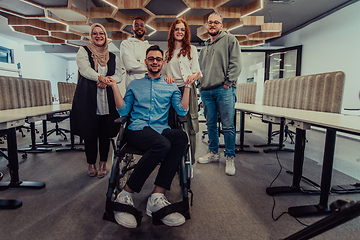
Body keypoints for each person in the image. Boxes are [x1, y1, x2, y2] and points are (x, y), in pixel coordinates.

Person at [100, 45, 195, 228]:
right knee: (163, 145)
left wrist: (188, 86)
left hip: (161, 129)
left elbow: (182, 110)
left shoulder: (170, 85)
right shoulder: (134, 85)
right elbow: (123, 110)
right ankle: (125, 194)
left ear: (162, 62)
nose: (154, 62)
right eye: (151, 59)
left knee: (180, 138)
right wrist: (113, 86)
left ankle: (157, 196)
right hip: (137, 129)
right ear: (146, 62)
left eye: (158, 59)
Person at [71, 23, 121, 178]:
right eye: (95, 33)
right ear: (91, 36)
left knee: (105, 132)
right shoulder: (83, 51)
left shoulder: (113, 56)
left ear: (106, 36)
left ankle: (103, 162)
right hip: (88, 98)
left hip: (107, 99)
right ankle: (91, 162)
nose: (99, 36)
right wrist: (100, 78)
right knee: (89, 132)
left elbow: (118, 75)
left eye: (101, 33)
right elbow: (85, 69)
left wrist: (107, 81)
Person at [197, 12, 242, 176]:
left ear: (221, 25)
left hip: (224, 90)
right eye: (210, 22)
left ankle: (230, 156)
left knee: (228, 126)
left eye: (216, 22)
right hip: (206, 91)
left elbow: (236, 64)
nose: (212, 25)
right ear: (206, 25)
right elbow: (199, 70)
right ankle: (213, 153)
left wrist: (227, 83)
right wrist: (200, 86)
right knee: (210, 125)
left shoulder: (230, 40)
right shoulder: (204, 48)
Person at [162, 18, 201, 166]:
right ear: (172, 32)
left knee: (190, 123)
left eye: (182, 30)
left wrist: (193, 76)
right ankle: (174, 160)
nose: (179, 32)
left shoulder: (192, 50)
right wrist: (167, 77)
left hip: (188, 89)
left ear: (186, 33)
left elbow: (198, 71)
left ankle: (189, 161)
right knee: (173, 123)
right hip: (172, 91)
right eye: (176, 29)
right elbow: (164, 75)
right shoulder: (167, 54)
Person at [120, 17, 151, 88]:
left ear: (145, 29)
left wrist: (138, 63)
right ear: (132, 29)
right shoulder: (126, 44)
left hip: (148, 86)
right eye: (136, 25)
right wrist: (149, 67)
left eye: (141, 25)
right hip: (132, 87)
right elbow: (130, 66)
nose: (139, 27)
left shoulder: (150, 47)